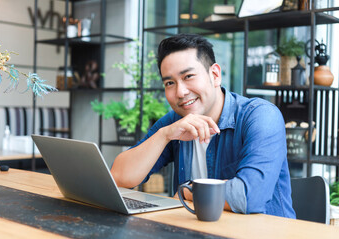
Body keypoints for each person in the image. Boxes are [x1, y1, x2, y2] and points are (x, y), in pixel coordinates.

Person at [111, 33, 296, 218]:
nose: (181, 92)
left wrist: (187, 192)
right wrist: (164, 135)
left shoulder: (261, 115)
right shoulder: (176, 122)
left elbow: (250, 196)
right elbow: (119, 177)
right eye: (169, 83)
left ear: (215, 75)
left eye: (189, 76)